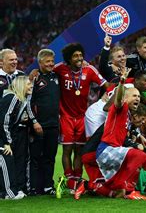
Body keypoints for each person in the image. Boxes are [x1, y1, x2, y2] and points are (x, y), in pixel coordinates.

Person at [53, 43, 107, 190]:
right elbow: (46, 70)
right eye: (75, 56)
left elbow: (105, 84)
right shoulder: (60, 68)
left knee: (79, 150)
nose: (79, 58)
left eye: (80, 55)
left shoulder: (89, 70)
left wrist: (114, 93)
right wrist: (34, 73)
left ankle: (77, 178)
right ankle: (68, 178)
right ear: (68, 59)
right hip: (66, 116)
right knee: (67, 150)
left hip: (82, 117)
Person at [96, 68, 146, 200]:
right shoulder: (121, 108)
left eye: (138, 96)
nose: (137, 98)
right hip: (107, 150)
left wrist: (138, 136)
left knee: (117, 190)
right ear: (126, 99)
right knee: (140, 156)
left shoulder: (128, 115)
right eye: (134, 96)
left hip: (114, 151)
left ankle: (88, 186)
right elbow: (118, 99)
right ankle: (130, 190)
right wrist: (122, 81)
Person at [29, 49, 60, 195]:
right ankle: (35, 187)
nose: (51, 64)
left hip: (54, 124)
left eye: (52, 61)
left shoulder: (56, 76)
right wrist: (34, 121)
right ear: (40, 62)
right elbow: (28, 102)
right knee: (36, 158)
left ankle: (48, 186)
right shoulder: (34, 78)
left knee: (50, 157)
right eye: (47, 61)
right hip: (38, 125)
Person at [0, 76, 33, 200]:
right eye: (28, 84)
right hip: (2, 138)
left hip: (4, 136)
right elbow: (4, 121)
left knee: (9, 161)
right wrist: (7, 142)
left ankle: (8, 191)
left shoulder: (19, 99)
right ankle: (10, 193)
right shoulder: (12, 98)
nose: (31, 86)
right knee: (6, 160)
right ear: (21, 85)